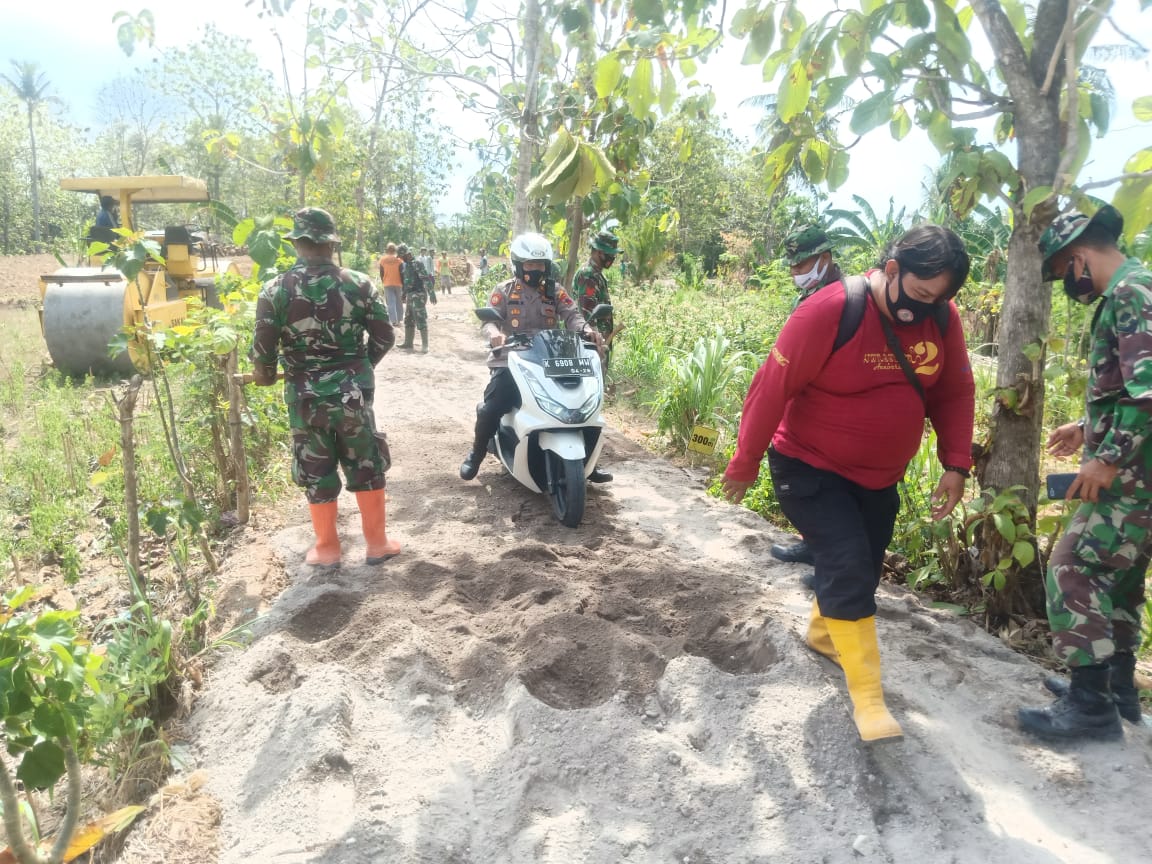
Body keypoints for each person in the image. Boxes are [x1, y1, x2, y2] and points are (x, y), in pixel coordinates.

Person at [721, 225, 974, 743]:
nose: (927, 308)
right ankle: (870, 702)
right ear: (893, 270)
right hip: (807, 466)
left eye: (940, 298)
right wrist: (744, 461)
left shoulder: (942, 320)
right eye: (922, 294)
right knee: (847, 560)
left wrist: (956, 462)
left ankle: (821, 633)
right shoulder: (828, 311)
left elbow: (954, 390)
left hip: (879, 479)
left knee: (864, 562)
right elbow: (771, 388)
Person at [1017, 204, 1152, 742]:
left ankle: (1090, 704)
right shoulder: (1137, 287)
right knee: (1120, 581)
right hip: (1138, 472)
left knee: (1072, 569)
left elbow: (1148, 393)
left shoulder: (1129, 294)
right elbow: (1129, 386)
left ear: (1077, 258)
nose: (1066, 285)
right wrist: (1085, 425)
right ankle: (1118, 691)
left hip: (1130, 477)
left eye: (1060, 274)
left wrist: (1108, 457)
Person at [250, 207, 400, 568]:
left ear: (298, 243)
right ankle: (377, 544)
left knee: (315, 468)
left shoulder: (274, 290)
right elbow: (385, 336)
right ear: (332, 244)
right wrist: (359, 368)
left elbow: (262, 358)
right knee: (365, 461)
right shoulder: (360, 283)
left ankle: (328, 548)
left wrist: (270, 375)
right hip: (353, 396)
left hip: (304, 399)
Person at [460, 232, 604, 481]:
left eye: (539, 265)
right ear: (518, 265)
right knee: (490, 408)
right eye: (530, 264)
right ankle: (477, 453)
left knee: (581, 403)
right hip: (512, 359)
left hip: (550, 358)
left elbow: (572, 315)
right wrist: (495, 333)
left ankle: (587, 460)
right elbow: (489, 321)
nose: (535, 270)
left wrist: (586, 330)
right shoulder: (504, 290)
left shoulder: (555, 291)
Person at [771, 225, 846, 566]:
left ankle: (830, 562)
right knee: (805, 478)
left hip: (833, 407)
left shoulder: (843, 299)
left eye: (801, 265)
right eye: (793, 266)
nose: (795, 273)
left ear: (825, 259)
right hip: (804, 401)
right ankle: (811, 544)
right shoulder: (808, 296)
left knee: (832, 487)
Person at [574, 229, 621, 485]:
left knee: (593, 404)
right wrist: (597, 343)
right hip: (590, 348)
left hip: (599, 348)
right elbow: (585, 316)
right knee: (588, 404)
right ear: (598, 251)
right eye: (609, 254)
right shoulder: (587, 275)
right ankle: (584, 464)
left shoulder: (598, 276)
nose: (611, 259)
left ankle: (587, 462)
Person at [398, 243, 436, 353]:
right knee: (408, 318)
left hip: (419, 294)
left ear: (407, 254)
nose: (401, 259)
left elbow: (426, 279)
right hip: (410, 294)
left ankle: (425, 345)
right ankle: (408, 342)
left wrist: (432, 292)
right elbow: (407, 282)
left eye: (402, 256)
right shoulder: (406, 266)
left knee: (420, 317)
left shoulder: (417, 264)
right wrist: (404, 294)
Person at [378, 242, 404, 325]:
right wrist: (403, 283)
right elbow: (402, 273)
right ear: (395, 250)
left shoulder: (383, 260)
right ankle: (399, 319)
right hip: (398, 283)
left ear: (387, 250)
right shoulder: (399, 260)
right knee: (399, 302)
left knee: (391, 303)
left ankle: (393, 321)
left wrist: (384, 281)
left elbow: (381, 273)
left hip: (387, 284)